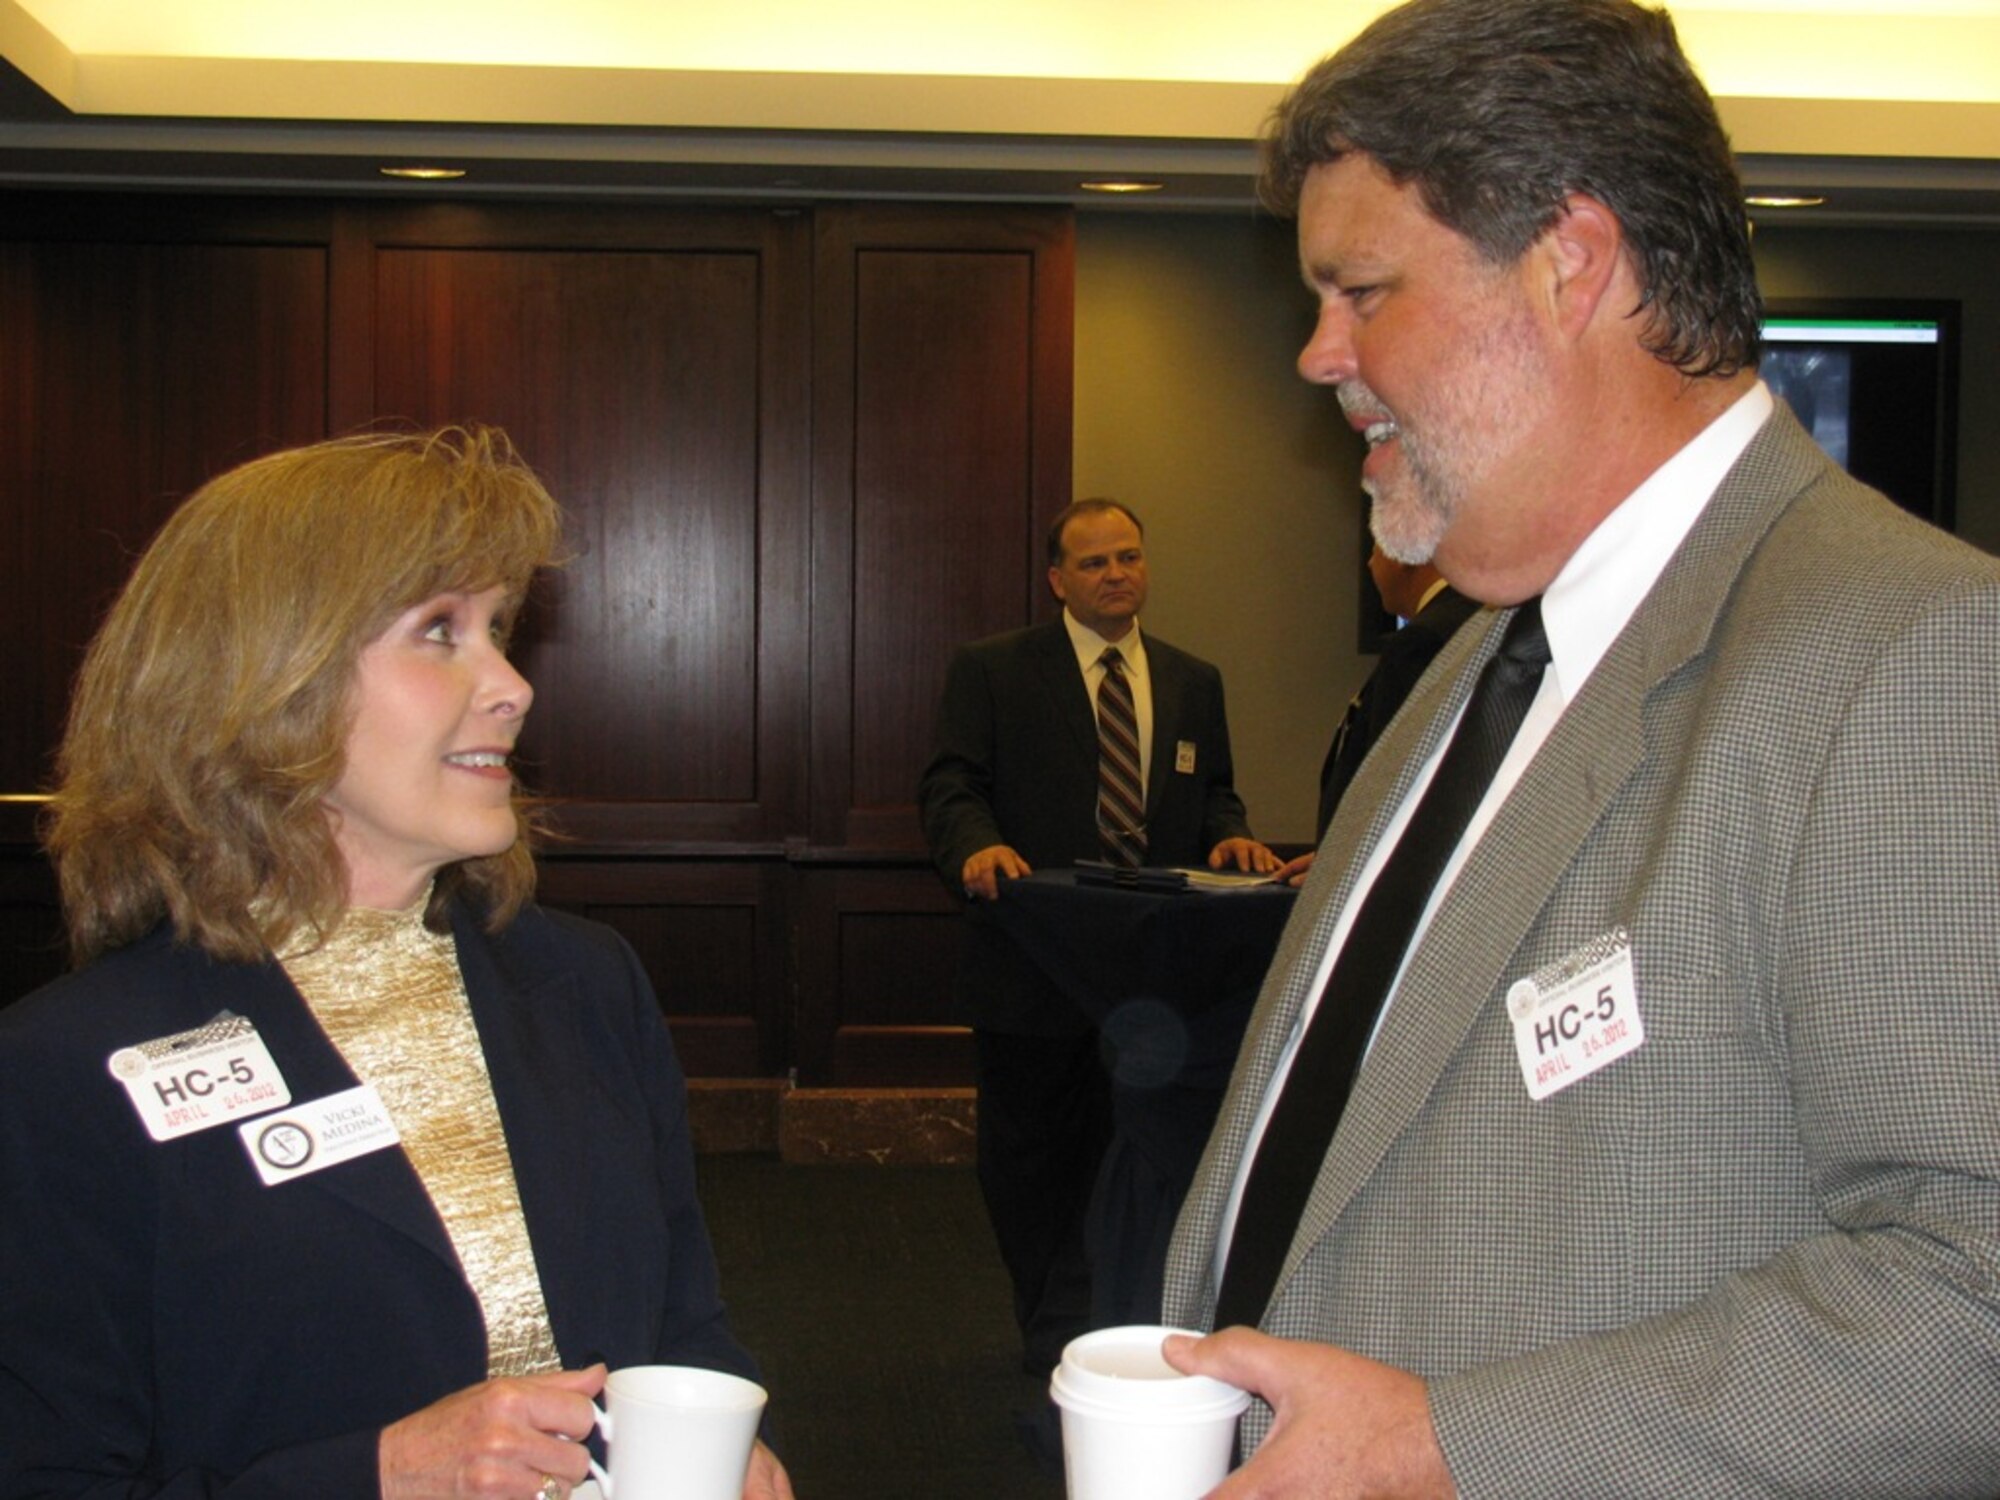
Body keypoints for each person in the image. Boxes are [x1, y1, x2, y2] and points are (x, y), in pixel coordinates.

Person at [1159, 2, 2000, 1496]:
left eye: (1362, 290)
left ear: (1573, 263)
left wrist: (1442, 1447)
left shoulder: (1916, 655)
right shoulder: (1480, 658)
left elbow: (1974, 1294)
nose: (1316, 354)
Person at [0, 429, 794, 1500]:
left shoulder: (587, 982)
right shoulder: (64, 1068)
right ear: (266, 679)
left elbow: (681, 1317)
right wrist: (378, 1476)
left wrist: (721, 1437)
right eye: (439, 632)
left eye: (500, 630)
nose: (512, 684)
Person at [919, 497, 1277, 1375]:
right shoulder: (995, 671)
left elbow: (1213, 794)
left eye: (1129, 557)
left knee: (1142, 1164)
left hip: (1154, 990)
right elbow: (950, 786)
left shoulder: (1195, 680)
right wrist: (977, 844)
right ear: (1057, 581)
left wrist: (1229, 834)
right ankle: (1050, 1336)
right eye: (1094, 563)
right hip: (1034, 966)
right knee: (1034, 1168)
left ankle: (1129, 1331)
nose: (1117, 574)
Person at [1314, 547, 1478, 841]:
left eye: (1376, 549)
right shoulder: (1479, 623)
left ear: (1402, 555)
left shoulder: (1420, 642)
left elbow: (1391, 780)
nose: (1369, 563)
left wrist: (1353, 867)